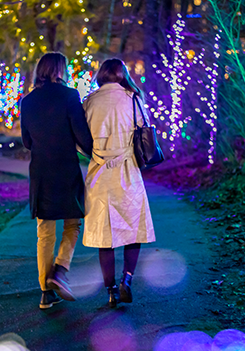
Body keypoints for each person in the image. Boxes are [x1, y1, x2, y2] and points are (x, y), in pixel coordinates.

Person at [20, 52, 93, 309]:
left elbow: (26, 141)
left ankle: (45, 291)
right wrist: (96, 152)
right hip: (65, 168)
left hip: (41, 171)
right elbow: (82, 135)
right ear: (60, 70)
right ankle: (60, 270)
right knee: (73, 224)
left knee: (45, 231)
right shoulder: (70, 96)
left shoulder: (26, 102)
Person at [82, 58, 156, 308]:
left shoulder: (89, 101)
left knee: (106, 236)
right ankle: (127, 279)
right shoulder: (133, 98)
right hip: (128, 171)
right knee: (132, 229)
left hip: (99, 173)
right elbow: (145, 129)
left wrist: (95, 153)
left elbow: (80, 137)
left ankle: (111, 290)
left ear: (101, 75)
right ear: (122, 74)